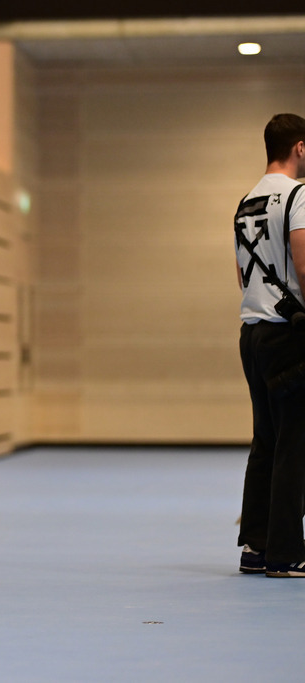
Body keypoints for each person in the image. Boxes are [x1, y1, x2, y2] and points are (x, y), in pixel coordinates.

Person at [234, 113, 305, 577]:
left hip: (252, 332)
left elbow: (242, 276)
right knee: (294, 442)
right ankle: (286, 552)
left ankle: (255, 546)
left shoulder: (245, 203)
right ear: (299, 147)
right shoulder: (298, 196)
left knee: (266, 439)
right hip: (288, 333)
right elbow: (303, 263)